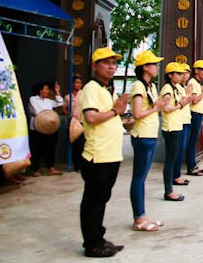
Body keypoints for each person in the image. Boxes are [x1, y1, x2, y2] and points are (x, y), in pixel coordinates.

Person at [79, 48, 129, 258]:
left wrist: (117, 110)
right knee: (94, 200)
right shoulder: (91, 88)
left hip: (111, 154)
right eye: (106, 62)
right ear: (95, 66)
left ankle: (98, 238)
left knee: (101, 198)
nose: (111, 66)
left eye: (114, 63)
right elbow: (91, 117)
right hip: (97, 154)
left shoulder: (108, 88)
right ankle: (92, 243)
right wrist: (116, 110)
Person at [129, 50, 166, 232]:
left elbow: (154, 106)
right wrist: (156, 108)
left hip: (150, 135)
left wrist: (161, 103)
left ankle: (142, 215)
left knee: (142, 178)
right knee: (139, 178)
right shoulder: (138, 86)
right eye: (154, 65)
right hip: (142, 136)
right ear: (145, 67)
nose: (157, 68)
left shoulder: (150, 86)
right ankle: (138, 218)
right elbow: (136, 114)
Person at [159, 62, 192, 201]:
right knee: (170, 160)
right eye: (177, 73)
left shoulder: (175, 88)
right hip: (171, 127)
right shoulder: (167, 88)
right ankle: (168, 191)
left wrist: (183, 101)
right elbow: (166, 108)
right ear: (170, 75)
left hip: (176, 126)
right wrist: (180, 105)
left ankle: (170, 189)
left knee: (173, 158)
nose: (181, 76)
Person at [28, 81, 64, 176]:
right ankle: (35, 169)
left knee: (50, 147)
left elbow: (60, 103)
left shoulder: (48, 101)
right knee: (36, 149)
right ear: (41, 90)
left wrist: (57, 92)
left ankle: (51, 168)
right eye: (46, 89)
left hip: (48, 128)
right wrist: (47, 115)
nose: (48, 91)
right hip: (37, 128)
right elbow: (36, 111)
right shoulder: (33, 99)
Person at [184, 60, 203, 177]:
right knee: (191, 141)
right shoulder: (193, 82)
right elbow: (195, 100)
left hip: (197, 114)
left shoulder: (196, 83)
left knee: (193, 141)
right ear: (196, 70)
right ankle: (191, 166)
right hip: (194, 113)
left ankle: (193, 165)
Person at [64, 75, 84, 172]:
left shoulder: (84, 94)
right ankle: (76, 165)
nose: (78, 84)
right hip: (73, 122)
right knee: (75, 144)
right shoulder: (68, 97)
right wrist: (70, 114)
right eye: (76, 82)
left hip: (82, 121)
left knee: (82, 144)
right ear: (72, 84)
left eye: (80, 83)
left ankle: (82, 165)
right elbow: (64, 109)